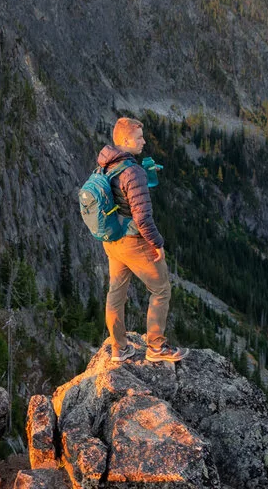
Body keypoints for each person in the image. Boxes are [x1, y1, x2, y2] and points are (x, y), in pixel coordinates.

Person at [98, 117, 181, 362]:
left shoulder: (105, 164)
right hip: (133, 241)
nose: (144, 141)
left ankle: (119, 348)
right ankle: (156, 347)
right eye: (139, 137)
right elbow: (143, 217)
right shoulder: (132, 172)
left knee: (116, 291)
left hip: (111, 240)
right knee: (161, 289)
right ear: (125, 140)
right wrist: (157, 243)